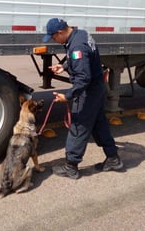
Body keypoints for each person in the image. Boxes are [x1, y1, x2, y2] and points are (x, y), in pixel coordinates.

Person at [42, 18, 123, 179]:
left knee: (79, 126)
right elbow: (83, 60)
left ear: (60, 32)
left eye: (53, 37)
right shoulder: (81, 34)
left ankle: (71, 166)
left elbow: (83, 78)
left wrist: (68, 95)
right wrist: (64, 66)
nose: (53, 40)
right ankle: (113, 158)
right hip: (97, 88)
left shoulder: (77, 45)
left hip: (88, 91)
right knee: (98, 124)